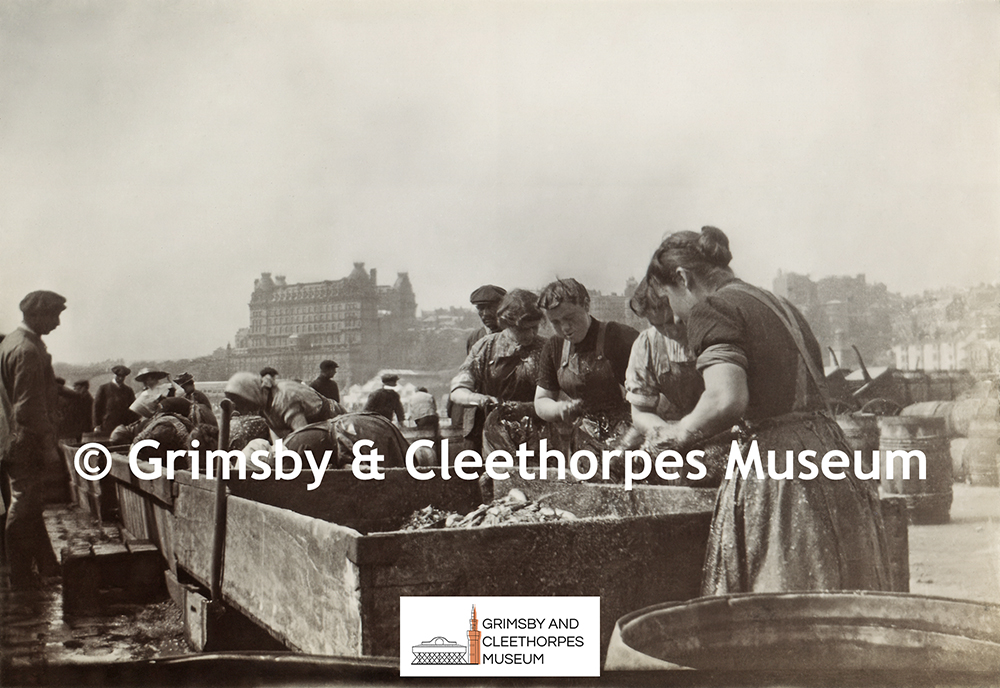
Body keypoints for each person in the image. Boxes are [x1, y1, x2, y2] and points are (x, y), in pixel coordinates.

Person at [643, 225, 890, 594]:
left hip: (781, 473)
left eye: (668, 298)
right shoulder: (777, 303)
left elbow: (726, 399)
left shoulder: (712, 308)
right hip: (829, 450)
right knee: (836, 586)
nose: (675, 317)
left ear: (682, 278)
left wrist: (677, 432)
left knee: (780, 590)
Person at [0, 290, 66, 588]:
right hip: (25, 442)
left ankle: (43, 567)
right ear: (37, 315)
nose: (57, 323)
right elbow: (27, 409)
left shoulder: (11, 342)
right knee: (23, 505)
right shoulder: (26, 350)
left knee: (27, 504)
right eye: (54, 315)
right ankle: (21, 576)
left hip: (14, 439)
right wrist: (47, 446)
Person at [533, 278, 639, 451]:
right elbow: (541, 400)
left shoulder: (620, 337)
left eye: (569, 318)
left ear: (586, 305)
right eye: (556, 323)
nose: (565, 328)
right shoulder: (554, 347)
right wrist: (559, 409)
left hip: (629, 438)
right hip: (584, 440)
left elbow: (651, 399)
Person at [451, 289, 546, 451]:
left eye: (534, 327)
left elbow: (563, 397)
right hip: (498, 438)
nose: (530, 334)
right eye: (522, 329)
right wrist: (480, 399)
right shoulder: (486, 347)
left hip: (541, 438)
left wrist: (528, 408)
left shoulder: (548, 349)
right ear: (506, 323)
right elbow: (458, 391)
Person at [624, 277, 704, 432]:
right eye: (658, 325)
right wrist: (668, 433)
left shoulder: (714, 332)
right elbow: (641, 412)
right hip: (676, 431)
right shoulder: (647, 344)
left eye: (672, 320)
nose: (670, 331)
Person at [225, 371, 342, 440]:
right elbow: (276, 434)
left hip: (333, 420)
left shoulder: (284, 398)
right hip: (313, 427)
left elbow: (304, 435)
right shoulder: (266, 405)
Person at [92, 365, 137, 436]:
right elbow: (96, 407)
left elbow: (133, 408)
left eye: (123, 377)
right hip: (107, 424)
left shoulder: (128, 390)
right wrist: (96, 425)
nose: (120, 378)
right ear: (114, 375)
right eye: (118, 376)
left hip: (123, 425)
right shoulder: (104, 388)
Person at [466, 285, 507, 353]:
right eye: (481, 308)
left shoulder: (514, 335)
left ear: (502, 308)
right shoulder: (475, 337)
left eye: (491, 308)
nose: (485, 314)